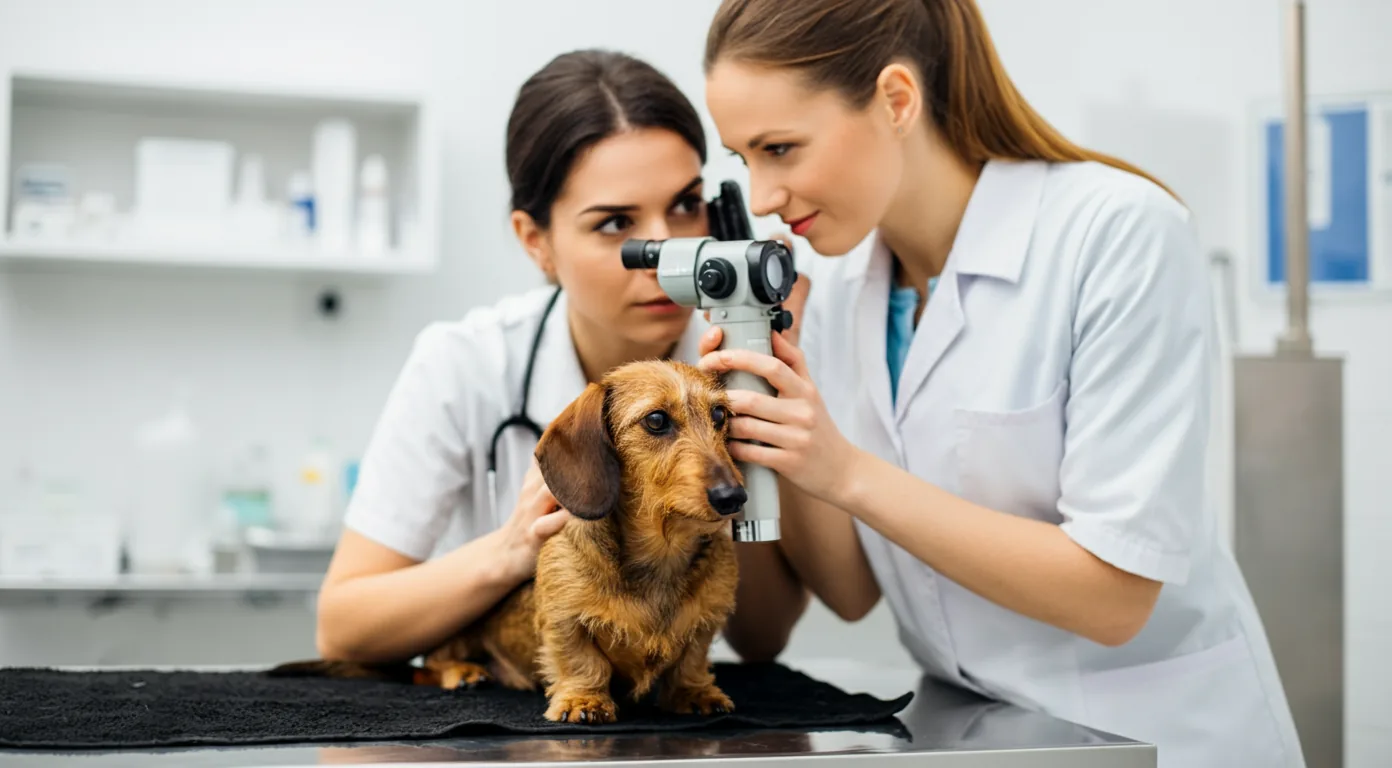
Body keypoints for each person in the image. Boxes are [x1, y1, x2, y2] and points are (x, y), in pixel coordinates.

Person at [694, 1, 1304, 766]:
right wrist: (782, 428)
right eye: (744, 159)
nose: (762, 197)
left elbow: (1114, 598)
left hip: (1158, 731)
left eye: (781, 149)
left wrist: (844, 471)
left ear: (896, 100)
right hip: (977, 732)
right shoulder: (838, 285)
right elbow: (851, 594)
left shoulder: (1117, 232)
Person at [314, 49, 808, 667]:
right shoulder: (464, 363)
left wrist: (753, 401)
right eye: (615, 223)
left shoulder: (735, 367)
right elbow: (343, 629)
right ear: (536, 242)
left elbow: (763, 638)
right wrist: (510, 550)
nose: (666, 254)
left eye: (686, 206)